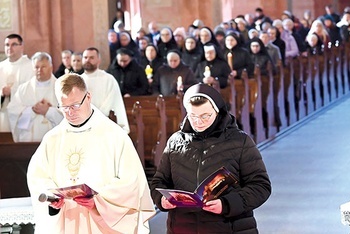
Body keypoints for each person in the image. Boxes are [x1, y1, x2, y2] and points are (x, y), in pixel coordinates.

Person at [27, 73, 156, 233]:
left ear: (88, 97)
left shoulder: (114, 135)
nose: (70, 113)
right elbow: (38, 177)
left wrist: (100, 201)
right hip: (68, 220)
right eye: (64, 107)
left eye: (74, 106)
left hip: (102, 223)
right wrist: (52, 197)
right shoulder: (52, 139)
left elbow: (131, 181)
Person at [150, 83, 271, 234]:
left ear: (217, 111)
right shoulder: (175, 141)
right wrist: (161, 201)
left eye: (205, 116)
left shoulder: (240, 141)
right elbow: (158, 181)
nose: (198, 122)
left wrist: (226, 204)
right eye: (193, 116)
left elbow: (261, 186)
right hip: (183, 227)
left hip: (230, 228)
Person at [7, 52, 63, 142]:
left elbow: (68, 115)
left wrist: (48, 111)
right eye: (36, 67)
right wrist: (32, 111)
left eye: (43, 67)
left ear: (51, 67)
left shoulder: (61, 88)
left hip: (55, 141)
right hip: (29, 143)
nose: (39, 70)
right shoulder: (23, 89)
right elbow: (13, 111)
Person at [81, 47, 130, 133]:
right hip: (83, 123)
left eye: (91, 58)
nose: (88, 60)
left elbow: (111, 101)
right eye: (85, 57)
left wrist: (94, 116)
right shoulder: (78, 80)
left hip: (104, 122)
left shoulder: (108, 79)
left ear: (99, 60)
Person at [0, 34, 34, 132]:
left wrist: (12, 91)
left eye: (14, 44)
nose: (9, 48)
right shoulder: (1, 67)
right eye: (7, 45)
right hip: (3, 114)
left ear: (22, 46)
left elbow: (33, 91)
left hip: (23, 116)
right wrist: (1, 94)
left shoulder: (31, 67)